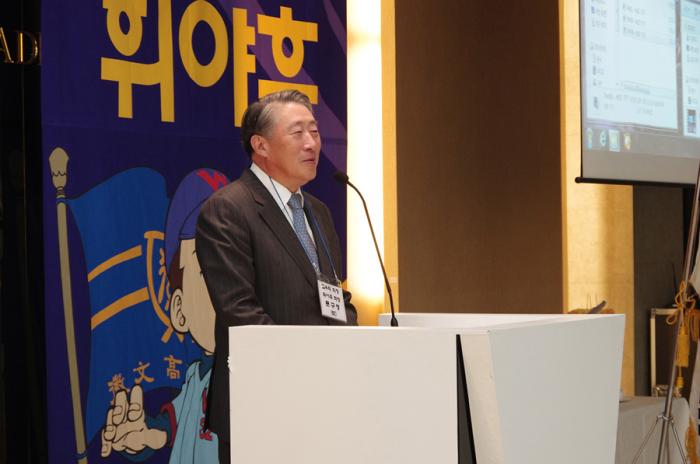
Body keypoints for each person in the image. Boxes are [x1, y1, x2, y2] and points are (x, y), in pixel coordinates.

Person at [195, 90, 358, 463]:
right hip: (262, 402)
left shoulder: (317, 211)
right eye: (297, 132)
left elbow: (334, 295)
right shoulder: (228, 210)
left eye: (314, 131)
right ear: (261, 146)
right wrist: (306, 369)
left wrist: (349, 346)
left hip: (325, 400)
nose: (311, 143)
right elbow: (240, 312)